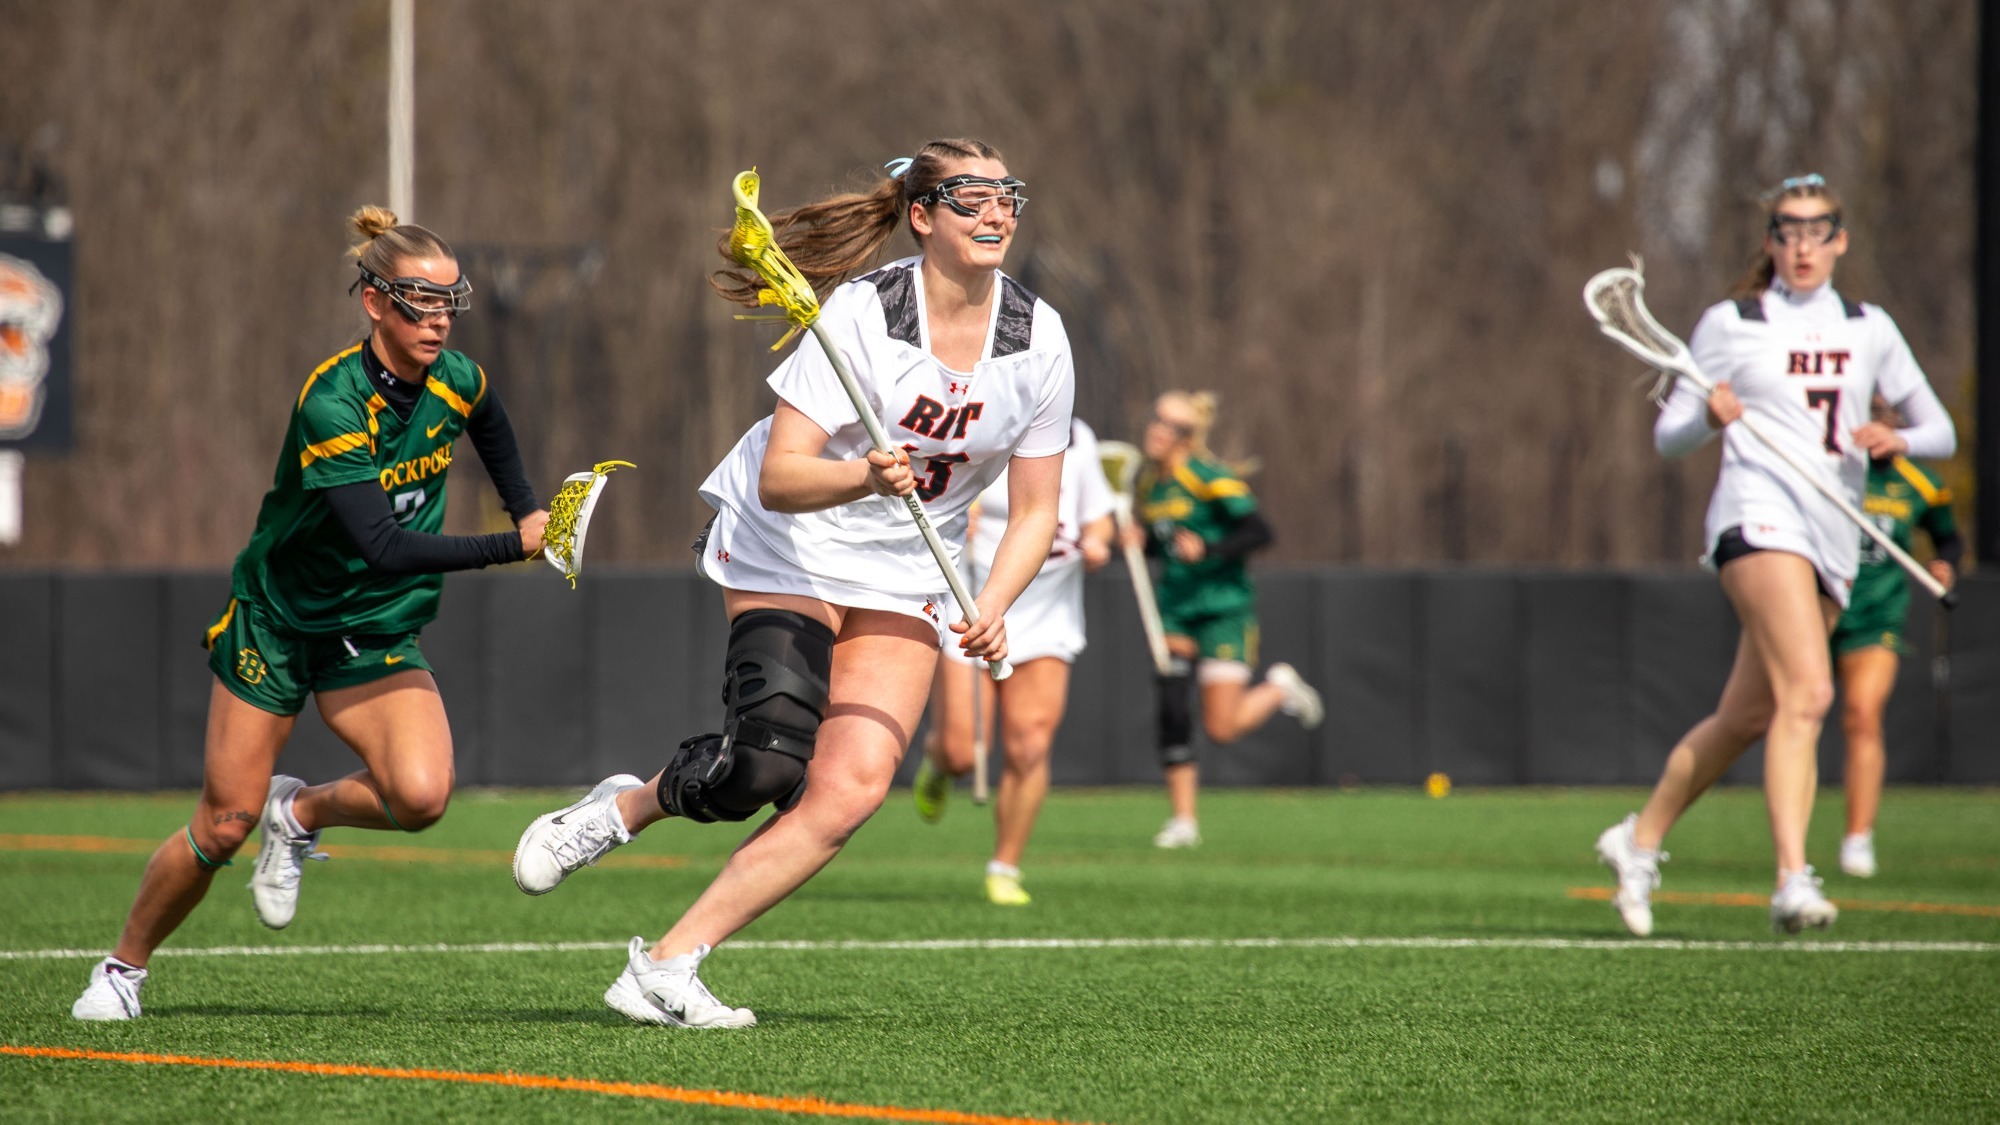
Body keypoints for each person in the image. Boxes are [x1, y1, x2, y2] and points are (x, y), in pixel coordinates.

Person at [511, 139, 1073, 1028]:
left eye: (1007, 193)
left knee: (849, 790)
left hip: (906, 570)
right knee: (763, 766)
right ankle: (625, 808)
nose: (996, 210)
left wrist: (995, 603)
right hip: (792, 543)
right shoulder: (864, 312)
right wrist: (863, 477)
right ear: (922, 216)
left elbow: (1037, 507)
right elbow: (782, 476)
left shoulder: (1040, 338)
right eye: (970, 196)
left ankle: (666, 966)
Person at [72, 207, 549, 1020]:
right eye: (419, 302)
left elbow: (491, 424)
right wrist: (514, 544)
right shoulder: (333, 401)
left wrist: (527, 505)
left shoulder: (458, 379)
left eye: (447, 303)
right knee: (224, 823)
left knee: (422, 796)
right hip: (282, 620)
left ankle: (297, 812)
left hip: (372, 623)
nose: (437, 320)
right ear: (374, 302)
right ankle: (121, 969)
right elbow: (382, 545)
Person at [1594, 174, 1955, 936]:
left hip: (1832, 534)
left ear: (1840, 241)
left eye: (1817, 232)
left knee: (1747, 714)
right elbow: (1670, 437)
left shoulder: (1869, 328)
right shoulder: (1732, 322)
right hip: (1756, 518)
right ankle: (1792, 877)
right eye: (1788, 232)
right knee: (1811, 693)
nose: (1802, 247)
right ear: (1771, 242)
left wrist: (1897, 437)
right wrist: (1709, 417)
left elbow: (1941, 430)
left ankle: (1638, 839)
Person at [912, 417, 1116, 905]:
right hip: (974, 602)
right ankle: (939, 761)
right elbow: (927, 492)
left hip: (1047, 610)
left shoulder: (1077, 437)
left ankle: (1004, 865)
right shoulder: (975, 422)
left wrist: (1099, 543)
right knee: (963, 752)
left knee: (1030, 746)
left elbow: (1097, 516)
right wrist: (955, 518)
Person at [1123, 390, 1323, 850]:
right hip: (1175, 609)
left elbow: (1259, 531)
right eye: (1155, 418)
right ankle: (1183, 821)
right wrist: (1140, 540)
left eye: (1169, 425)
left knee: (1222, 728)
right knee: (1173, 706)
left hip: (1222, 609)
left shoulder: (1209, 477)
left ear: (1187, 437)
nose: (1156, 429)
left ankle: (1279, 689)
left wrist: (1209, 549)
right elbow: (1164, 542)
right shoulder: (1150, 484)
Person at [1829, 398, 1960, 878]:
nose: (1875, 423)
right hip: (1815, 604)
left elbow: (1948, 538)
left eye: (1884, 414)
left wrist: (1946, 565)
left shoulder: (1921, 483)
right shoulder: (1825, 466)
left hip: (1876, 613)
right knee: (1779, 713)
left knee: (1862, 714)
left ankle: (1858, 837)